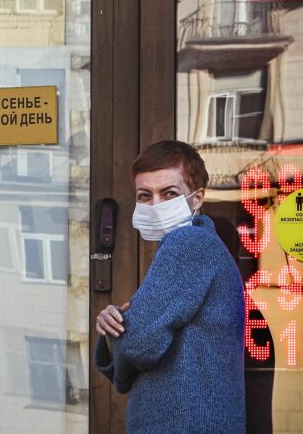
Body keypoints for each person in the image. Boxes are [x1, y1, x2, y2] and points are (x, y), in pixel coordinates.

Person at [94, 140, 245, 433]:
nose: (156, 205)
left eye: (169, 193)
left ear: (197, 198)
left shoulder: (187, 244)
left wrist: (124, 330)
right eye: (144, 195)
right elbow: (139, 339)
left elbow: (139, 345)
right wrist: (117, 328)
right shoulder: (206, 247)